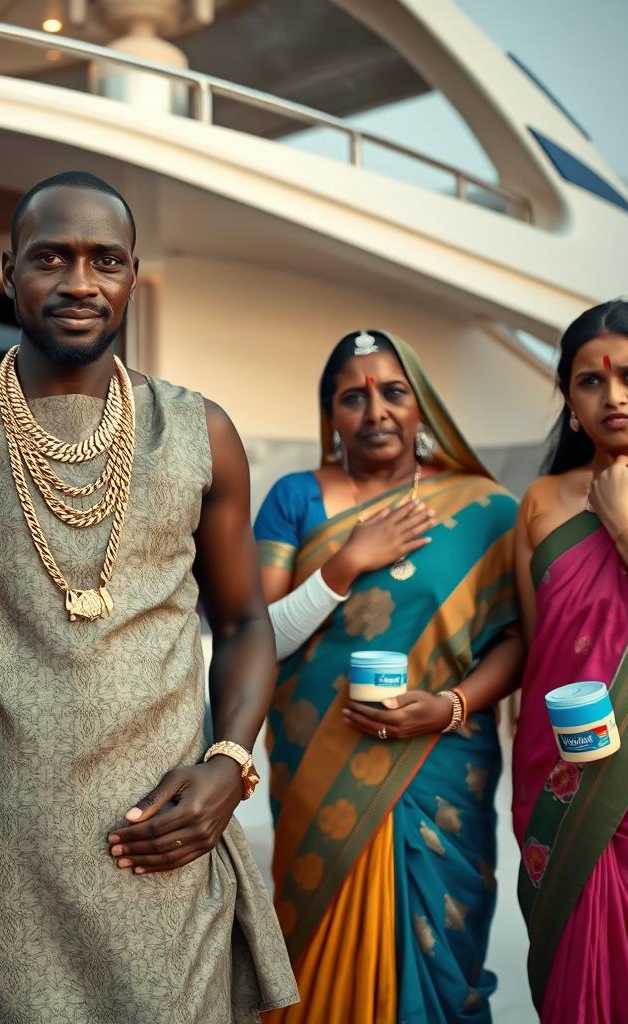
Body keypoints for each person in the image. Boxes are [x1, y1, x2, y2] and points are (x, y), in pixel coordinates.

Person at [0, 171, 298, 1023]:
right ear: (7, 273)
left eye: (105, 260)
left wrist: (232, 761)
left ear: (133, 276)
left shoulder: (196, 429)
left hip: (152, 850)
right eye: (50, 259)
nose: (79, 283)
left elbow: (246, 620)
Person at [255, 330, 523, 1023]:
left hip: (441, 762)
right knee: (315, 954)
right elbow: (261, 637)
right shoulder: (296, 498)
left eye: (393, 392)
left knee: (439, 953)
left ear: (421, 407)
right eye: (353, 396)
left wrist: (453, 706)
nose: (374, 410)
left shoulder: (485, 509)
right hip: (319, 765)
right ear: (331, 417)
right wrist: (347, 561)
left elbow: (517, 641)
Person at [513, 299, 628, 1020]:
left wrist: (620, 520)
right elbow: (538, 656)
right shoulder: (543, 502)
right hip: (562, 779)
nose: (613, 395)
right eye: (590, 381)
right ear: (569, 400)